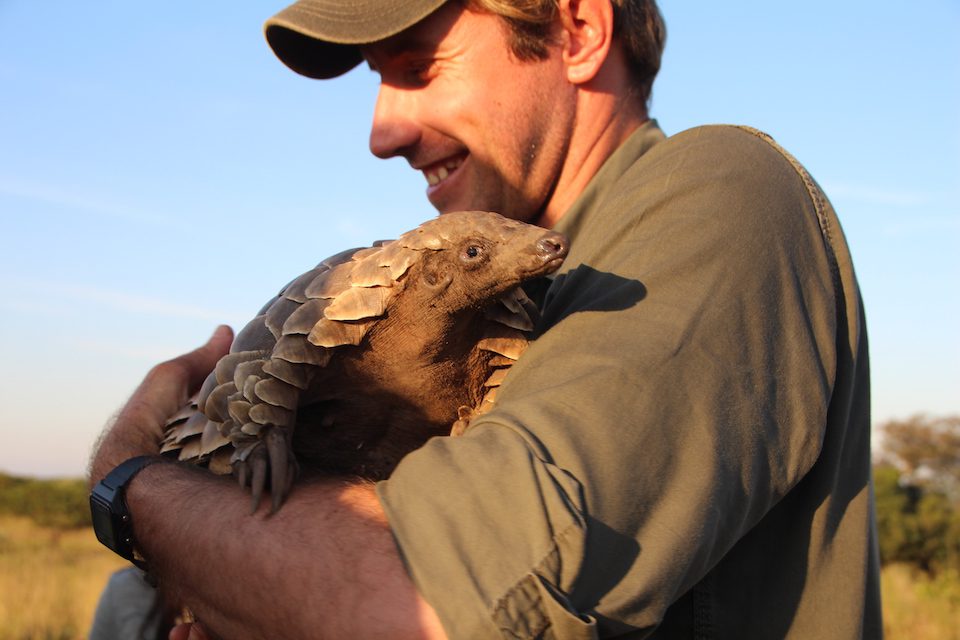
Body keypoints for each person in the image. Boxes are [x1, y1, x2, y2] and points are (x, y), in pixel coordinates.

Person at [89, 0, 883, 637]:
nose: (381, 131)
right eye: (378, 79)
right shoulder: (488, 296)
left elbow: (434, 608)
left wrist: (132, 482)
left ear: (577, 30)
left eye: (418, 67)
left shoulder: (716, 191)